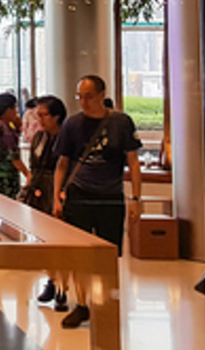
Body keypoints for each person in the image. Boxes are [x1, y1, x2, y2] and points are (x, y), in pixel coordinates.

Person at [52, 75, 142, 329]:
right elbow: (62, 164)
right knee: (79, 256)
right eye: (79, 96)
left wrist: (136, 198)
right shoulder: (72, 124)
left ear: (102, 95)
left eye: (88, 96)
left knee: (108, 256)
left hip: (111, 197)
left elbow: (133, 163)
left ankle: (105, 304)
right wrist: (56, 198)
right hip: (79, 196)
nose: (83, 102)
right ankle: (82, 305)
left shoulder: (121, 122)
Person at [25, 95, 70, 311]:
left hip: (57, 190)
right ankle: (51, 280)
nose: (40, 120)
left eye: (44, 115)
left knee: (61, 241)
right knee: (44, 240)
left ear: (57, 116)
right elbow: (33, 166)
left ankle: (62, 287)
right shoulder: (39, 138)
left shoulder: (67, 137)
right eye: (38, 115)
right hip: (39, 190)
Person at [0, 92, 29, 198]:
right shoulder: (4, 129)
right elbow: (14, 157)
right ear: (9, 110)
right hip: (6, 179)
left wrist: (17, 129)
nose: (16, 112)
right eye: (15, 108)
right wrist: (28, 174)